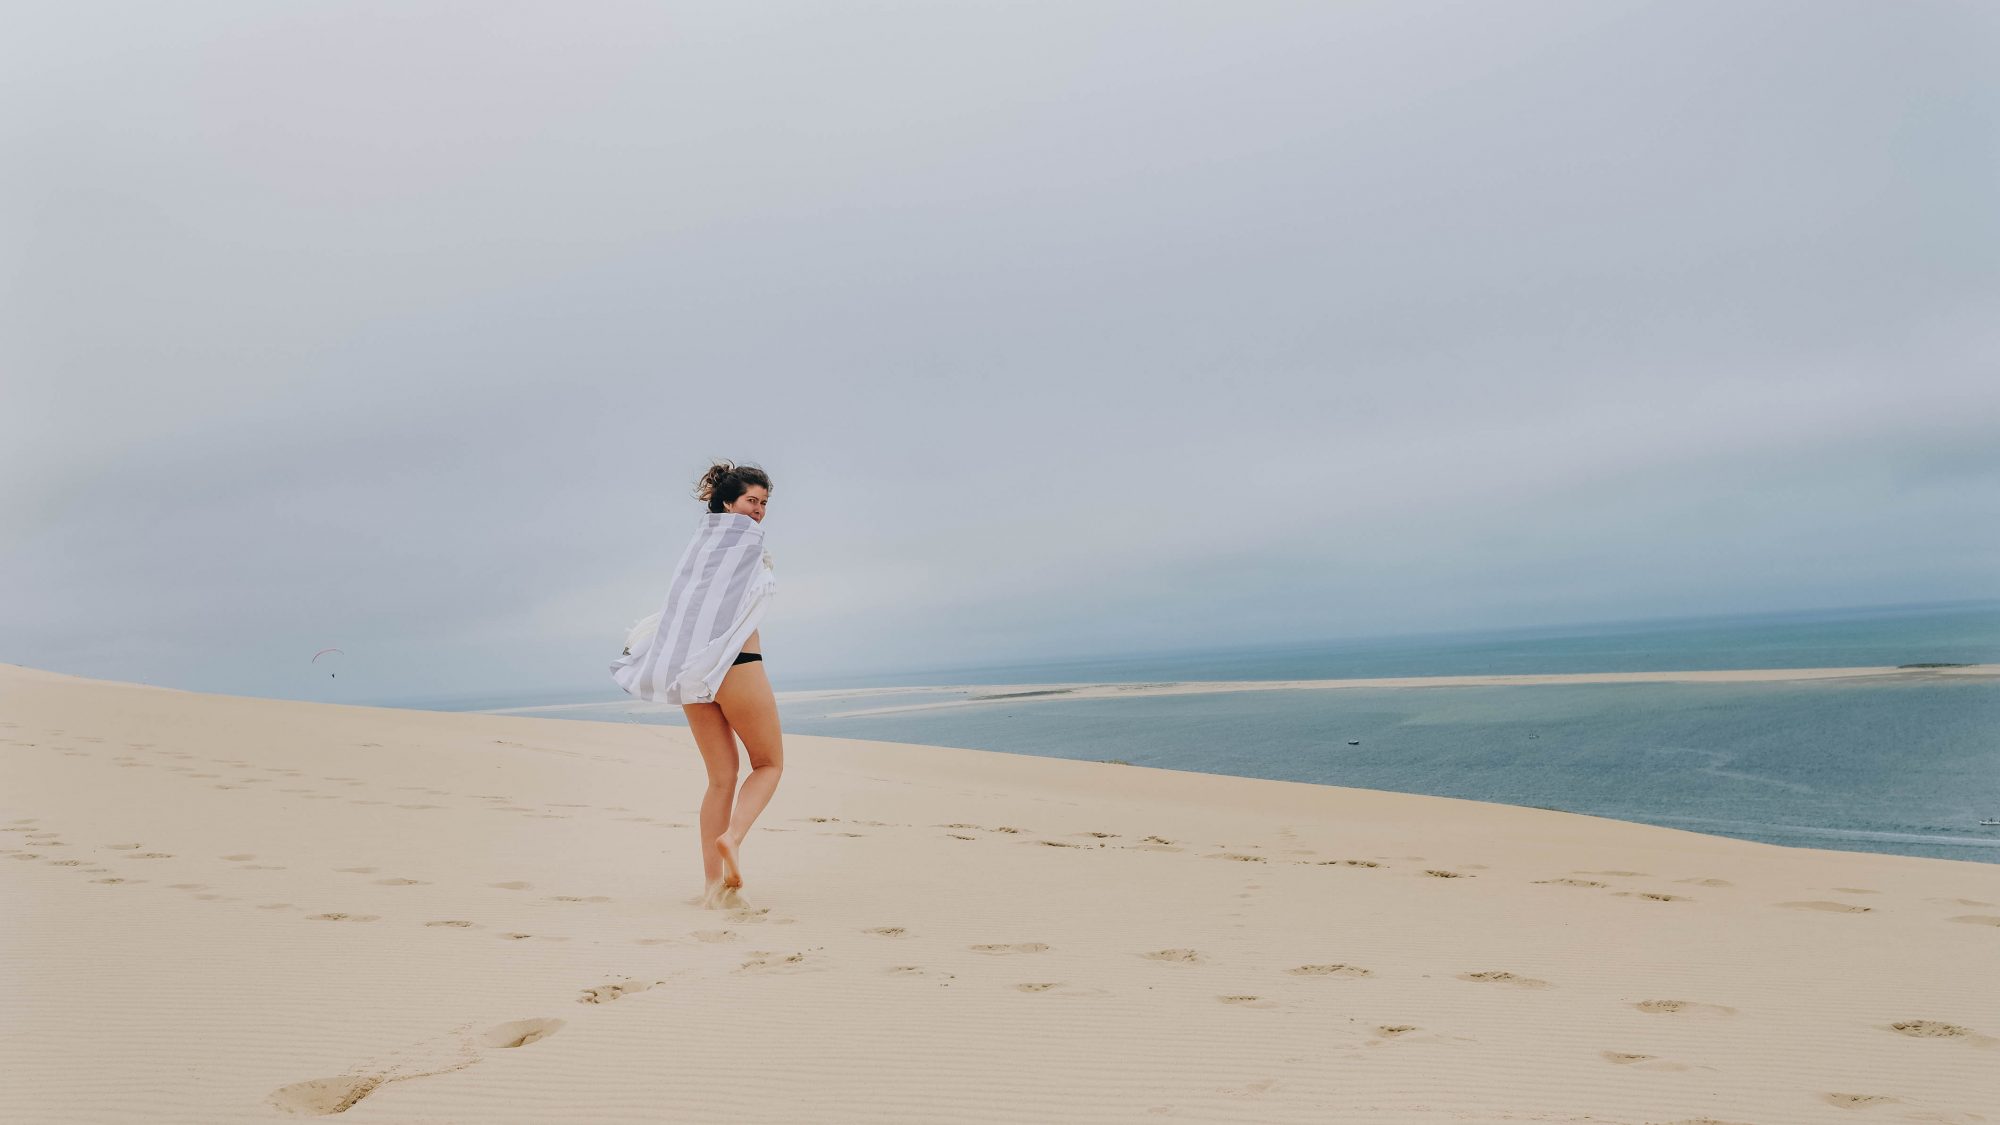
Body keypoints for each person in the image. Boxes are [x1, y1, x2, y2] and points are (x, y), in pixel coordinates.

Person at [607, 459, 782, 903]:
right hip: (738, 667)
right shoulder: (747, 543)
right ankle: (733, 838)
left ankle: (712, 887)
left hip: (691, 673)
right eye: (751, 500)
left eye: (764, 503)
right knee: (768, 765)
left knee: (721, 779)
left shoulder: (696, 552)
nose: (758, 511)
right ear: (727, 504)